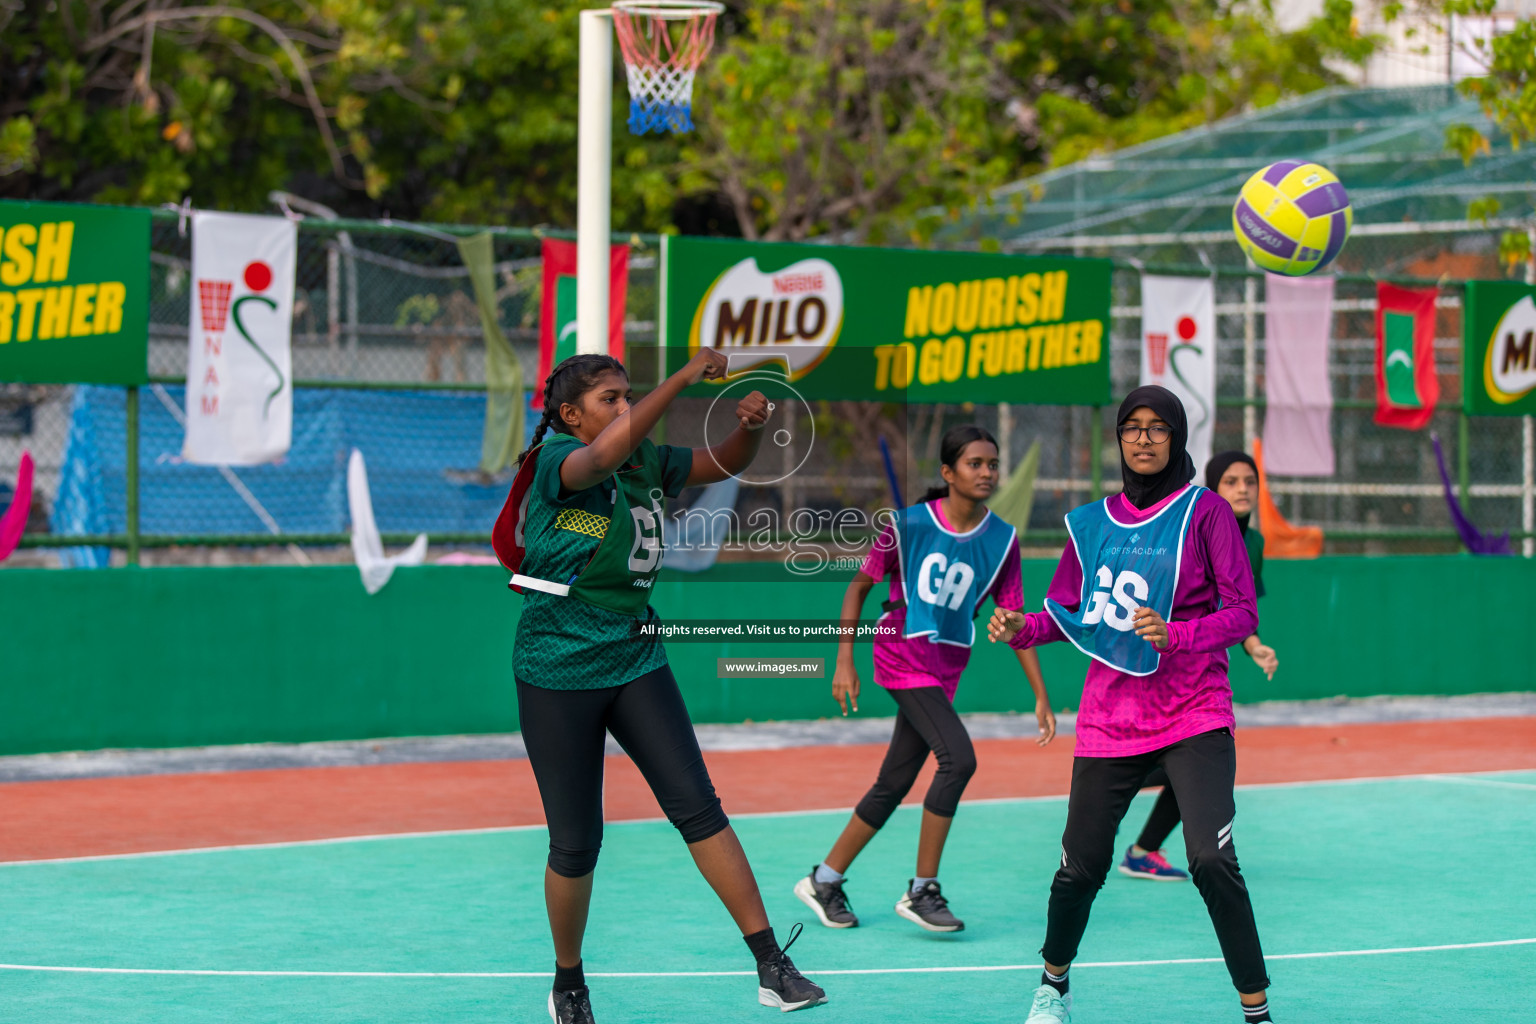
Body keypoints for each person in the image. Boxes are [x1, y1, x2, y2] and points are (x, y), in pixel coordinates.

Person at [492, 351, 826, 1023]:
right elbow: (600, 459)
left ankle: (769, 962)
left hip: (635, 654)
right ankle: (569, 983)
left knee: (700, 808)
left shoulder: (645, 461)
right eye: (610, 398)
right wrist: (680, 379)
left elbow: (721, 463)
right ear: (570, 415)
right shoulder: (562, 461)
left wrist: (750, 425)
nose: (624, 407)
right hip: (557, 666)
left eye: (628, 395)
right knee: (577, 843)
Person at [988, 386, 1274, 1024]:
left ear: (1175, 438)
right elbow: (1068, 615)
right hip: (1110, 721)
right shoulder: (1091, 524)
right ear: (1118, 439)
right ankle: (1051, 988)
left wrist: (1179, 635)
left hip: (1195, 711)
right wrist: (1020, 628)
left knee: (1210, 858)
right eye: (1131, 428)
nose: (1143, 439)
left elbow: (1243, 612)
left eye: (1156, 428)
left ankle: (1256, 1012)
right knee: (1079, 869)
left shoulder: (1206, 514)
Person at [795, 425, 1056, 934]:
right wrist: (844, 659)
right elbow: (858, 589)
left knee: (893, 782)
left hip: (944, 669)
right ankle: (922, 889)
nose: (987, 472)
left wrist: (1041, 694)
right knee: (958, 759)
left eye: (992, 464)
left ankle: (824, 879)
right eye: (975, 463)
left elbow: (1014, 619)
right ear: (948, 472)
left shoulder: (1003, 540)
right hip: (899, 655)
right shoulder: (908, 525)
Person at [1118, 450, 1279, 882]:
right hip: (1157, 662)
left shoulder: (1255, 543)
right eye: (1231, 482)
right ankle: (1110, 800)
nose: (1242, 489)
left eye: (1249, 481)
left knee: (1196, 763)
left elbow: (1239, 609)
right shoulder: (1192, 528)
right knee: (1157, 761)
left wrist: (1255, 646)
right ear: (1212, 488)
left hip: (1200, 674)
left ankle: (1142, 849)